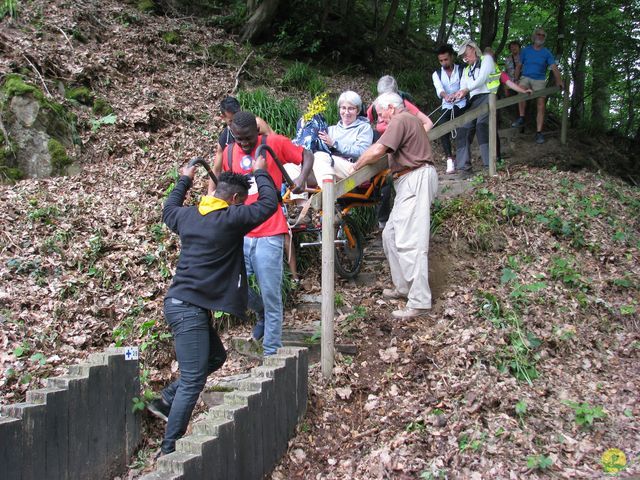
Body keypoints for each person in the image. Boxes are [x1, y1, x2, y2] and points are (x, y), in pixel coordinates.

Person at [149, 157, 279, 456]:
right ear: (235, 199)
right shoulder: (231, 219)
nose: (240, 206)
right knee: (194, 380)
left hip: (181, 304)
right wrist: (260, 171)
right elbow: (269, 204)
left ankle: (167, 397)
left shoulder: (188, 216)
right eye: (240, 202)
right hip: (188, 310)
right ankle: (169, 450)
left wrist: (184, 179)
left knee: (216, 356)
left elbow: (168, 209)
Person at [222, 111, 314, 356]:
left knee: (272, 295)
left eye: (248, 138)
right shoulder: (229, 152)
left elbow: (306, 154)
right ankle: (259, 311)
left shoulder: (272, 143)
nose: (243, 144)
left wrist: (302, 179)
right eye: (238, 138)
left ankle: (272, 352)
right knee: (231, 283)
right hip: (241, 232)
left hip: (270, 231)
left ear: (257, 130)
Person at [351, 92, 438, 319]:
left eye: (381, 114)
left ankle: (419, 301)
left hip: (415, 178)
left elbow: (379, 149)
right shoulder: (408, 121)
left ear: (391, 107)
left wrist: (355, 167)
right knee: (390, 235)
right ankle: (404, 287)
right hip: (408, 180)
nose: (381, 120)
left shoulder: (401, 119)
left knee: (410, 241)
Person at [367, 75, 433, 228]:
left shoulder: (402, 104)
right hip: (384, 146)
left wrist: (412, 138)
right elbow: (366, 122)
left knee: (395, 183)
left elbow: (427, 122)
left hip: (401, 151)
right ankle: (383, 220)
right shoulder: (377, 105)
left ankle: (401, 222)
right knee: (383, 184)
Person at [285, 90, 373, 197]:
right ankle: (301, 205)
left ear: (358, 111)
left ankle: (328, 198)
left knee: (320, 156)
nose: (346, 112)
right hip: (327, 168)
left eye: (351, 108)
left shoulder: (364, 128)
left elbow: (362, 151)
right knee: (292, 163)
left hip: (352, 169)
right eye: (343, 108)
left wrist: (335, 144)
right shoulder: (331, 129)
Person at [450, 39, 500, 175]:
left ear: (473, 49)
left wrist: (465, 90)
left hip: (488, 97)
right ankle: (464, 168)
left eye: (466, 54)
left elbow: (482, 79)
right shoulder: (466, 70)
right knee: (463, 129)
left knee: (482, 126)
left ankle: (489, 165)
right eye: (462, 57)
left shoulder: (487, 59)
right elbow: (463, 87)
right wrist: (457, 94)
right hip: (473, 102)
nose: (465, 58)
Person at [511, 27, 563, 144]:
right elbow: (519, 65)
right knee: (521, 89)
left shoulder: (547, 53)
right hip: (526, 77)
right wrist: (515, 79)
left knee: (541, 104)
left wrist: (559, 81)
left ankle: (539, 132)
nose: (540, 37)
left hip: (539, 80)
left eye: (543, 35)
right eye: (538, 34)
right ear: (534, 36)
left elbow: (554, 68)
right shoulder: (526, 50)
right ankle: (522, 117)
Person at [212, 96, 273, 177]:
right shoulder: (225, 139)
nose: (236, 125)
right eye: (231, 121)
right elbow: (216, 170)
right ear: (223, 118)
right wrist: (211, 190)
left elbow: (275, 144)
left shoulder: (256, 124)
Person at [432, 44, 467, 174]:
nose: (443, 63)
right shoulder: (437, 74)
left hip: (461, 104)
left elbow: (464, 85)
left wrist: (457, 95)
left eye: (446, 59)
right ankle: (449, 159)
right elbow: (439, 89)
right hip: (446, 105)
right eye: (441, 61)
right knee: (442, 129)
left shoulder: (462, 69)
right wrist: (445, 96)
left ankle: (462, 158)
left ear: (451, 57)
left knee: (461, 130)